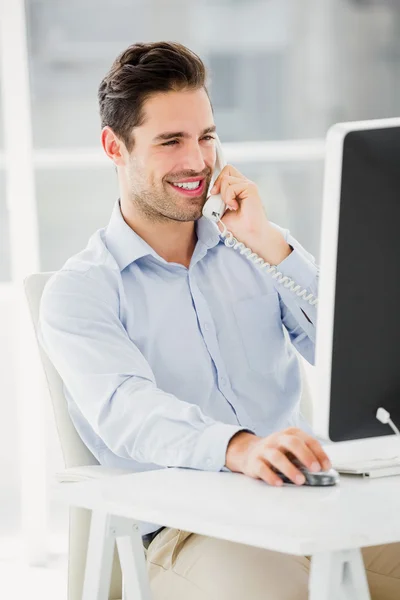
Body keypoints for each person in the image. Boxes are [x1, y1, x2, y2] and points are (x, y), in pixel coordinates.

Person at [39, 41, 400, 600]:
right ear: (115, 146)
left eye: (206, 136)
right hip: (189, 533)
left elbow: (359, 357)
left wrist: (270, 246)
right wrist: (240, 447)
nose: (197, 161)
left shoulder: (254, 248)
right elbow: (127, 411)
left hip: (305, 505)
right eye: (170, 141)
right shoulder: (80, 292)